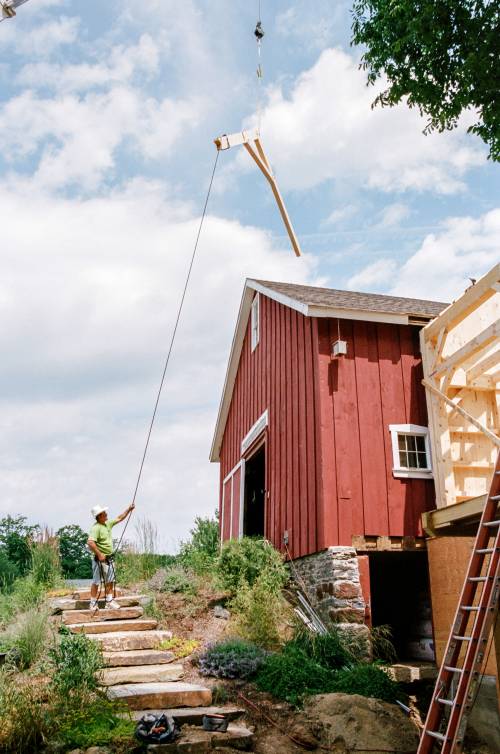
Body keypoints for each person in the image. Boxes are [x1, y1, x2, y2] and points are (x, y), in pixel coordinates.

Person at [87, 503, 135, 611]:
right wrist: (99, 555)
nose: (106, 513)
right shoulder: (96, 528)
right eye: (104, 513)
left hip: (109, 559)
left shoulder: (107, 524)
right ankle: (93, 603)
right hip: (99, 560)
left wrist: (129, 509)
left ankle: (109, 601)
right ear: (99, 516)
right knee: (96, 582)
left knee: (110, 580)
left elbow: (119, 518)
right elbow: (90, 542)